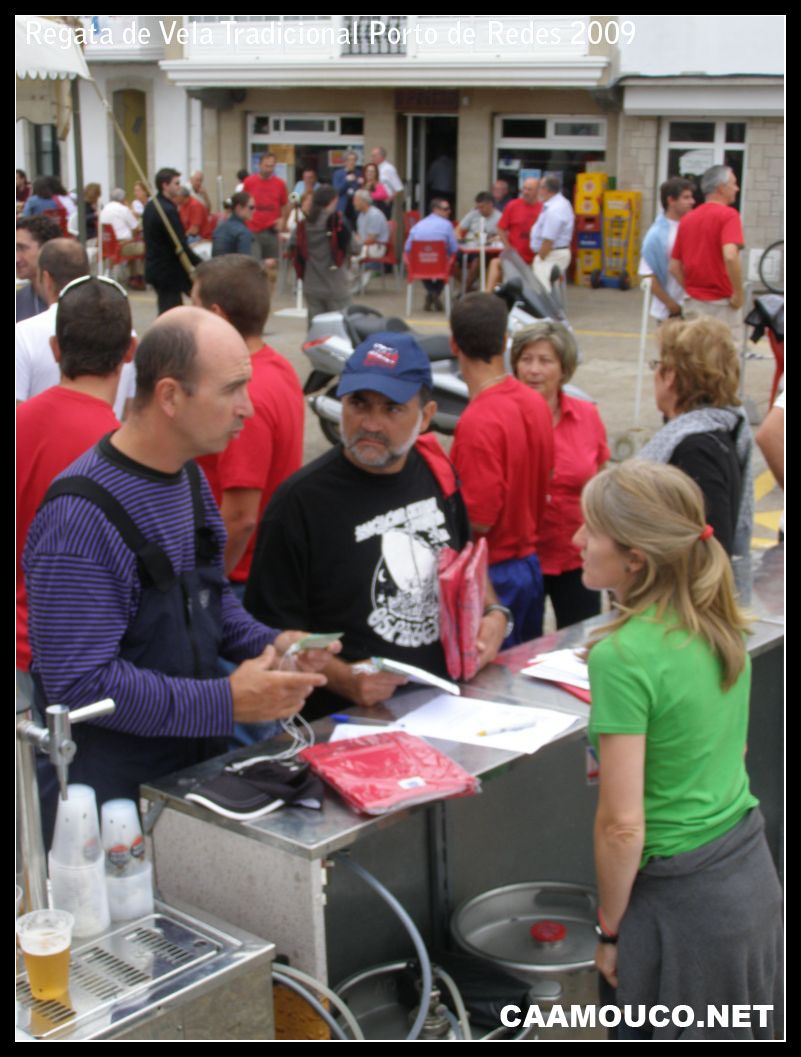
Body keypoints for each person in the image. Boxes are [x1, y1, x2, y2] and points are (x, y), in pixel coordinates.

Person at [24, 307, 337, 842]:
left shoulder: (187, 479)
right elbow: (78, 687)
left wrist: (276, 642)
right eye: (232, 389)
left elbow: (211, 606)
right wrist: (226, 702)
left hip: (188, 780)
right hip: (106, 807)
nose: (249, 407)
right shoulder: (79, 517)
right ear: (169, 396)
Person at [578, 460, 781, 1040]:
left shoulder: (621, 657)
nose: (578, 543)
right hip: (750, 880)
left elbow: (622, 826)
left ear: (635, 557)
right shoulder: (720, 621)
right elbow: (731, 751)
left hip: (683, 908)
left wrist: (610, 931)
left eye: (590, 531)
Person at [244, 333, 508, 718]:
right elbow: (267, 635)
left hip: (444, 705)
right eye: (358, 404)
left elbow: (466, 560)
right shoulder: (299, 503)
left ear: (427, 415)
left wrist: (496, 613)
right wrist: (344, 678)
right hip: (345, 722)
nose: (370, 423)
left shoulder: (437, 473)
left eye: (392, 409)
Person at [17, 275, 136, 673]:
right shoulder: (125, 452)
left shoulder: (20, 422)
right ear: (130, 351)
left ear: (55, 349)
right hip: (84, 651)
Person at [192, 254, 304, 591]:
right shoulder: (278, 367)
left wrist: (207, 587)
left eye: (193, 305)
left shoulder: (243, 394)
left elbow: (240, 517)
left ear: (216, 316)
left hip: (239, 578)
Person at [449, 293, 554, 644]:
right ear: (505, 341)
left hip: (494, 578)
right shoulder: (534, 402)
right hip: (528, 566)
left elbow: (478, 518)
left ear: (454, 344)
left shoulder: (478, 421)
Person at [639, 315, 753, 597]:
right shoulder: (714, 431)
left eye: (657, 365)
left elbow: (713, 550)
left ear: (673, 376)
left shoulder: (696, 448)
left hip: (678, 607)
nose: (653, 374)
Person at [511, 321, 608, 628]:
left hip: (576, 557)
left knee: (579, 647)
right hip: (522, 559)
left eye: (545, 361)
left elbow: (600, 483)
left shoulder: (586, 415)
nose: (534, 370)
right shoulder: (504, 420)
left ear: (563, 369)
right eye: (526, 360)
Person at [669, 164, 745, 345]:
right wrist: (738, 293)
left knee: (696, 361)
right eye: (733, 184)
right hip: (722, 305)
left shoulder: (688, 219)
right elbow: (730, 255)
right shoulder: (729, 216)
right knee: (723, 364)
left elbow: (674, 266)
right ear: (721, 188)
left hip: (693, 304)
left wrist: (690, 288)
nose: (737, 188)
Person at [292, 184, 354, 326]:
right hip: (336, 284)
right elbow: (354, 247)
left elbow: (292, 245)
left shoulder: (304, 224)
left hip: (312, 283)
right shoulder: (337, 222)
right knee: (341, 328)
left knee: (316, 329)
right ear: (333, 201)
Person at [142, 167, 201, 315]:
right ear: (165, 185)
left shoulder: (151, 206)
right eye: (176, 183)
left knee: (170, 308)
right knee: (171, 311)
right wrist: (200, 263)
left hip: (157, 267)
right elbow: (179, 244)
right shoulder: (166, 210)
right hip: (168, 271)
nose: (179, 187)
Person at [638, 177, 695, 322]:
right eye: (686, 197)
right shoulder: (656, 235)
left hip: (695, 306)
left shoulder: (694, 226)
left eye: (691, 197)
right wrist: (672, 305)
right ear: (671, 200)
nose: (692, 201)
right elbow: (648, 275)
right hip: (670, 312)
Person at [484, 177, 541, 291]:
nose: (525, 192)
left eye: (529, 189)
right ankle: (487, 296)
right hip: (515, 257)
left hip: (535, 258)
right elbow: (500, 228)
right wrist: (507, 247)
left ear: (537, 191)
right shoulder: (513, 205)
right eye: (524, 189)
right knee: (495, 263)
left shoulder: (543, 209)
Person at [404, 198, 458, 312]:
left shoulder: (418, 225)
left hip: (419, 265)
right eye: (445, 209)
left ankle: (431, 292)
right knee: (444, 265)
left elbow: (407, 248)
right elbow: (454, 249)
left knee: (425, 263)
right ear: (435, 210)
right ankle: (435, 292)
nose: (449, 211)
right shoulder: (447, 225)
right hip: (439, 264)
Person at [243, 152, 290, 270]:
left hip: (272, 230)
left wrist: (283, 220)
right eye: (266, 166)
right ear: (259, 165)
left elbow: (285, 205)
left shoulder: (280, 184)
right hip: (253, 229)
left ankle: (270, 288)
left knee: (272, 266)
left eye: (272, 166)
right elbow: (243, 203)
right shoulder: (249, 182)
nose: (269, 169)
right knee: (254, 265)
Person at [529, 175, 575, 291]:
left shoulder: (554, 209)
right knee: (550, 287)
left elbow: (548, 239)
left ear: (546, 189)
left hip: (551, 254)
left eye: (540, 187)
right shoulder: (560, 203)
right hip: (554, 252)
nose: (538, 191)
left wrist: (540, 258)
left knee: (542, 289)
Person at [16, 215, 61, 321]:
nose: (16, 259)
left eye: (22, 248)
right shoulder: (18, 302)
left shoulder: (78, 302)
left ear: (46, 249)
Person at [456, 191, 502, 293]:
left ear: (490, 205)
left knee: (478, 261)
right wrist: (459, 238)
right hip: (468, 246)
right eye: (478, 207)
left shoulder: (499, 217)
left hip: (485, 249)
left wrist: (494, 238)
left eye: (482, 207)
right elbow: (458, 229)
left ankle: (464, 290)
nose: (480, 210)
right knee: (451, 261)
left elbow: (502, 235)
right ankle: (468, 287)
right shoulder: (473, 214)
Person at [99, 187, 145, 287]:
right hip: (121, 245)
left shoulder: (105, 209)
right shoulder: (123, 209)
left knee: (135, 244)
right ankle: (137, 277)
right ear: (123, 199)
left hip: (106, 244)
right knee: (144, 247)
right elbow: (137, 228)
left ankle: (133, 277)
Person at [352, 189, 390, 293]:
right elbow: (360, 236)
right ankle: (356, 283)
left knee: (352, 258)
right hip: (365, 245)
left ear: (363, 201)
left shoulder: (374, 215)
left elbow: (371, 239)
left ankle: (357, 284)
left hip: (377, 247)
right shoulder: (361, 215)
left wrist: (356, 244)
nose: (353, 202)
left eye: (356, 200)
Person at [211, 191, 255, 257]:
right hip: (233, 266)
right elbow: (245, 262)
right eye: (251, 207)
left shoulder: (219, 228)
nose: (254, 211)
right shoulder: (243, 232)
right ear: (239, 208)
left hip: (216, 266)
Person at [333, 150, 362, 227]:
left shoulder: (359, 173)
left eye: (354, 160)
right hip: (343, 207)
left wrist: (360, 183)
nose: (352, 162)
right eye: (349, 160)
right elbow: (337, 191)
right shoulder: (338, 174)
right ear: (345, 162)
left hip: (356, 207)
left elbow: (360, 191)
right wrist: (346, 181)